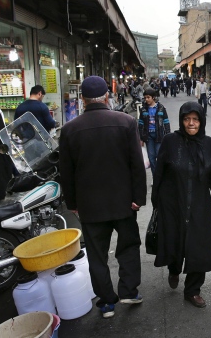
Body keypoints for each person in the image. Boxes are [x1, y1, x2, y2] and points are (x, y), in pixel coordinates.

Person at [59, 76, 147, 319]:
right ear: (107, 96)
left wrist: (73, 204)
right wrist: (138, 197)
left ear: (83, 99)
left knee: (97, 255)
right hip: (123, 202)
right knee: (128, 247)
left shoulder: (69, 130)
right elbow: (136, 164)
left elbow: (65, 172)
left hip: (90, 206)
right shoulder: (126, 122)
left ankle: (107, 302)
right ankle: (129, 291)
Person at [152, 101, 211, 308]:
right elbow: (159, 172)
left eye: (195, 119)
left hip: (199, 205)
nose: (191, 123)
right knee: (175, 242)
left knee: (198, 247)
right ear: (181, 120)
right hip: (172, 203)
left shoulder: (208, 144)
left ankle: (193, 290)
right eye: (187, 119)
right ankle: (174, 268)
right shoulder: (170, 141)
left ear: (201, 121)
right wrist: (155, 201)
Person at [138, 88, 171, 176]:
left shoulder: (161, 108)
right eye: (145, 98)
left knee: (159, 156)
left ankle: (161, 176)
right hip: (148, 136)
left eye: (148, 97)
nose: (146, 99)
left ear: (153, 97)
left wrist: (168, 135)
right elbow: (140, 124)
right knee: (151, 158)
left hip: (159, 135)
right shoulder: (143, 109)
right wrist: (141, 138)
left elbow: (166, 122)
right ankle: (155, 177)